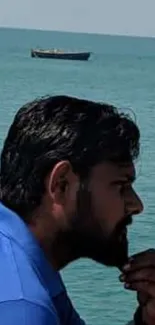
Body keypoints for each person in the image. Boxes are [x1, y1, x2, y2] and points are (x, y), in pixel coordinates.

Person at [0, 95, 146, 324]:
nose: (137, 206)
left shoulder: (22, 257)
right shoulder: (23, 309)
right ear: (61, 184)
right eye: (121, 185)